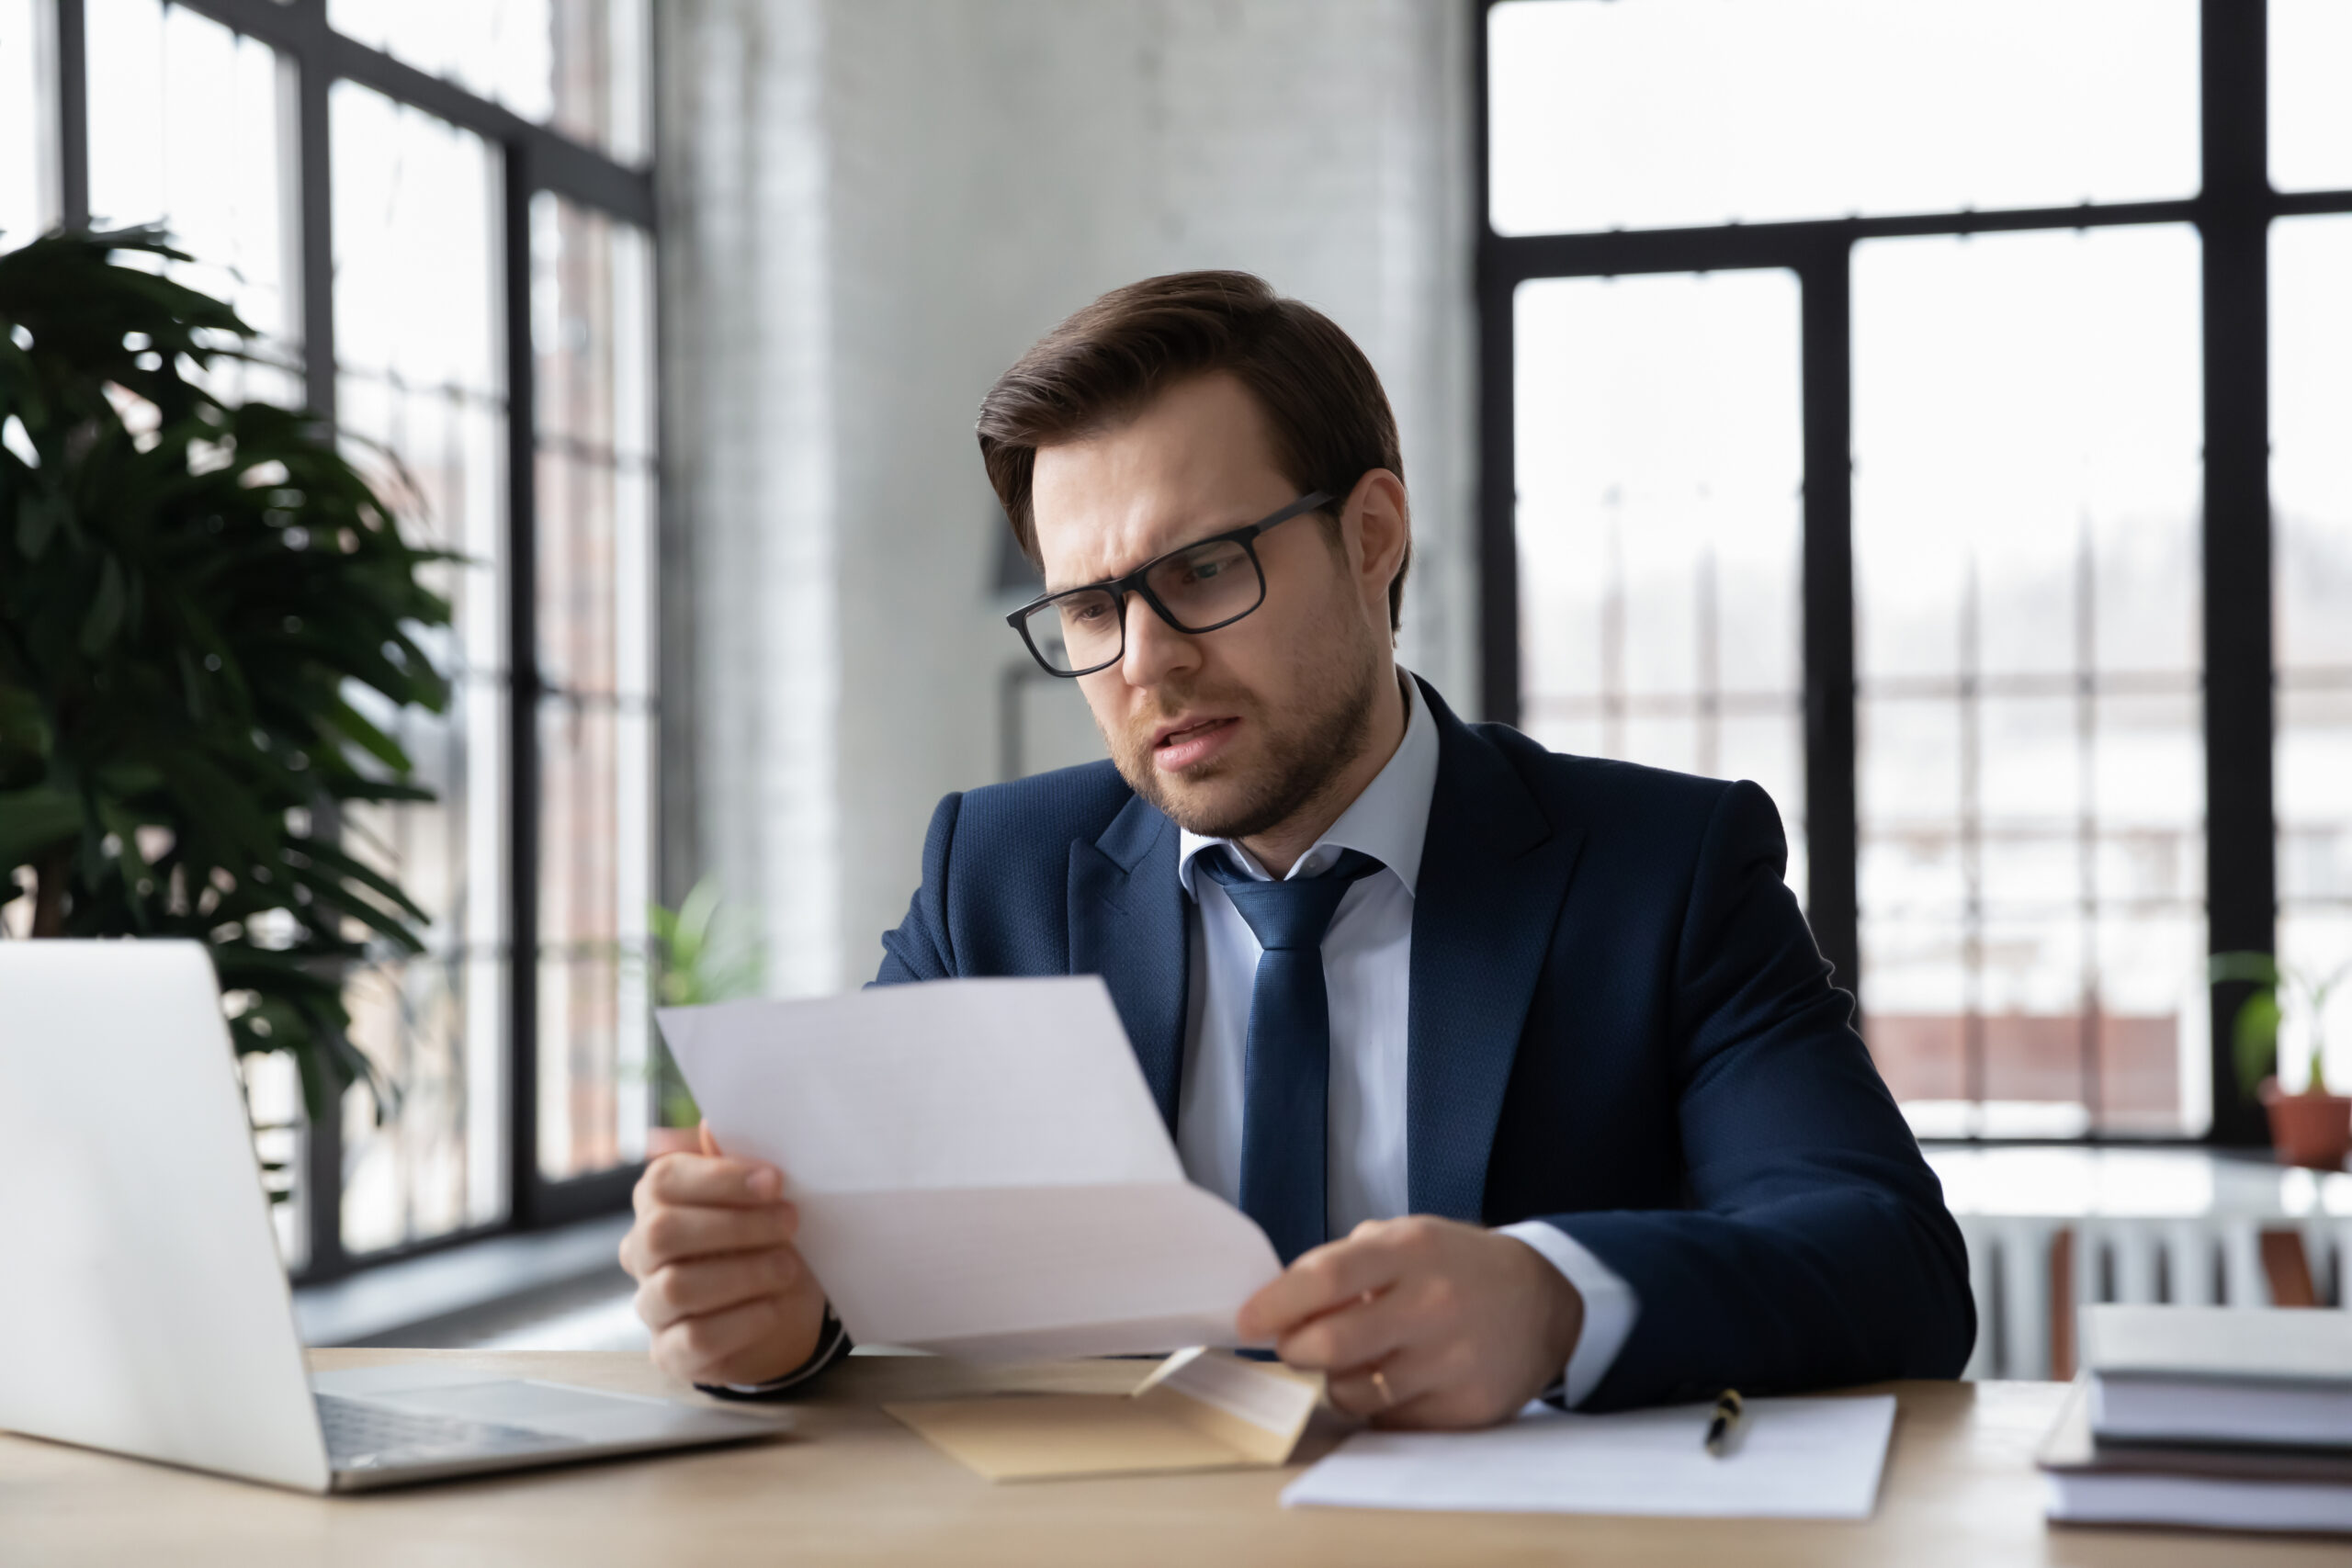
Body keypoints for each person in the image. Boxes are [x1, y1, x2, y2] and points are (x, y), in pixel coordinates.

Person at [618, 271, 1975, 1427]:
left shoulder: (1662, 870)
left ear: (1372, 536)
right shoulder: (997, 874)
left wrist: (1558, 1302)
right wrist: (777, 1321)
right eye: (1090, 608)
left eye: (1204, 570)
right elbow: (855, 1251)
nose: (1145, 663)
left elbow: (1892, 1266)